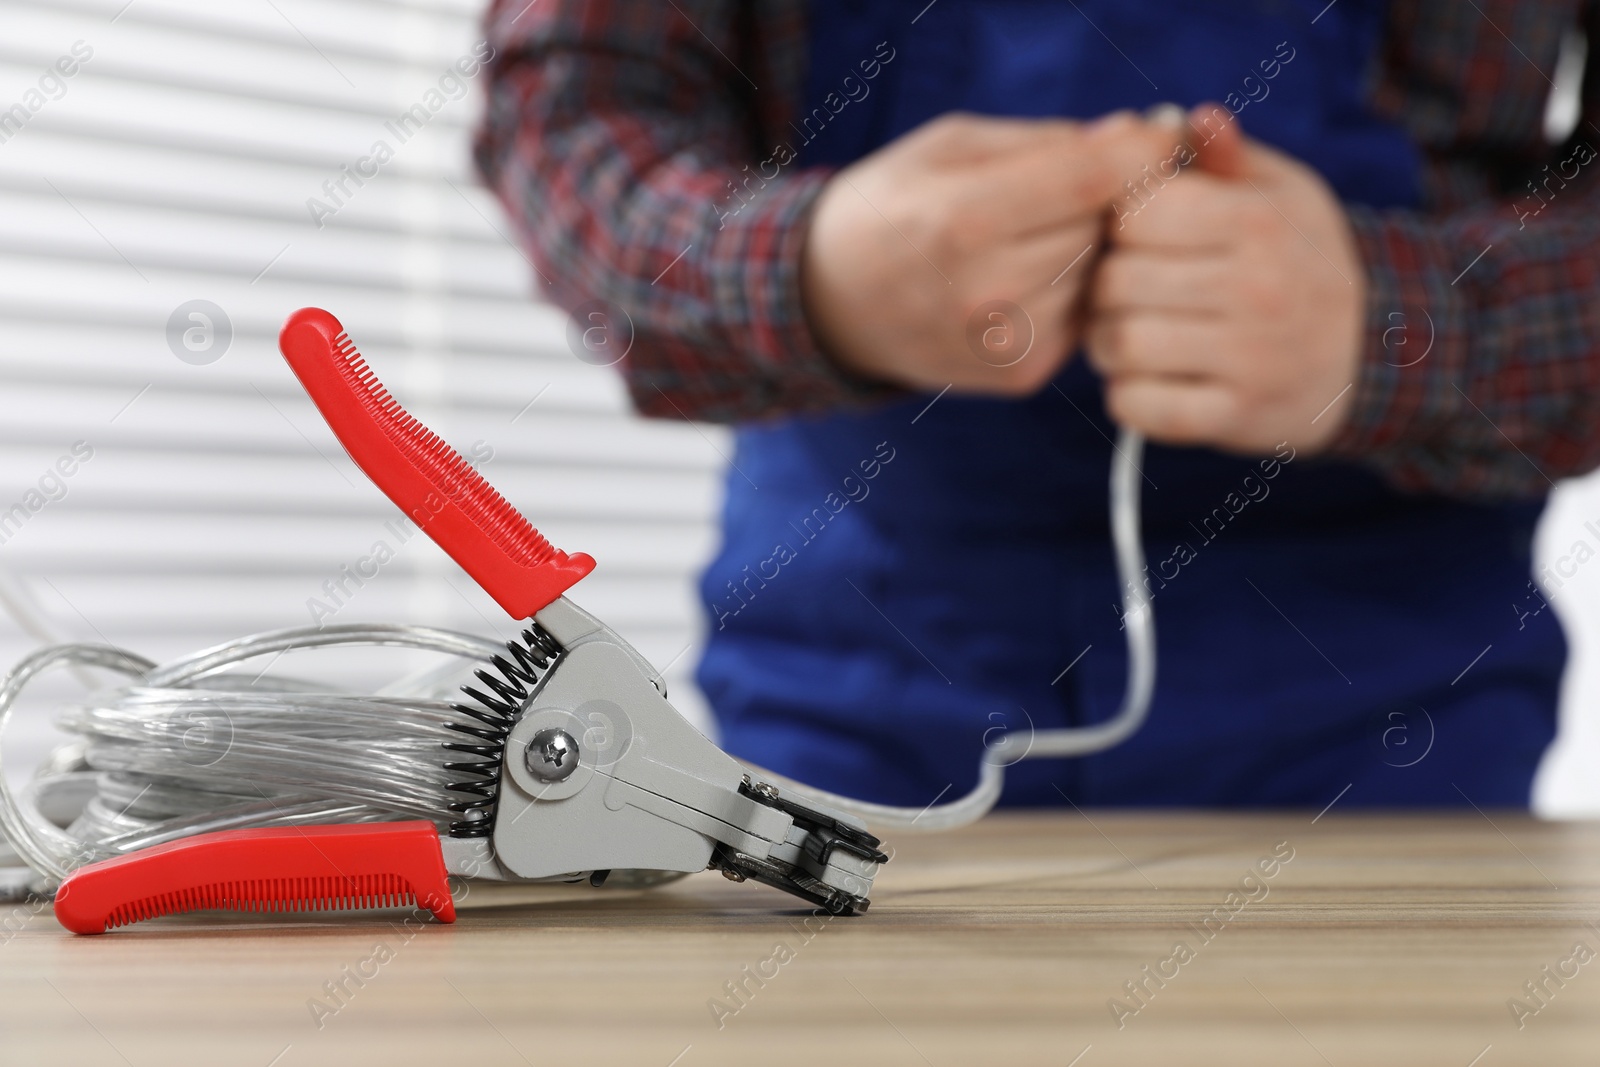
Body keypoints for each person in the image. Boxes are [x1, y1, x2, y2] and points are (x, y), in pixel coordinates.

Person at [473, 0, 1600, 810]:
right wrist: (802, 272)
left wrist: (1409, 325)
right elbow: (574, 101)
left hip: (1396, 704)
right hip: (849, 668)